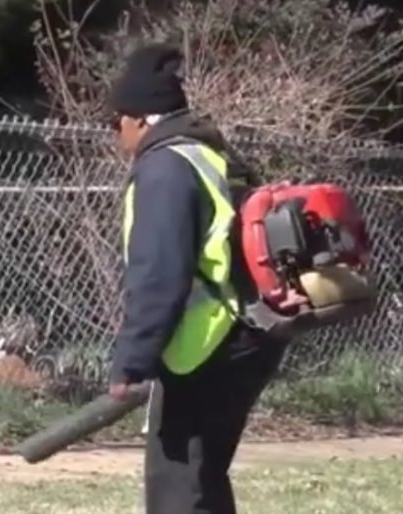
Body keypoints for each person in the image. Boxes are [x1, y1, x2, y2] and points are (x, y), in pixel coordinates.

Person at [105, 43, 314, 514]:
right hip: (251, 333)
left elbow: (158, 273)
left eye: (114, 122)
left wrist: (132, 361)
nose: (116, 134)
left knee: (179, 483)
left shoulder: (163, 169)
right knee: (203, 475)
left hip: (209, 343)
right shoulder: (212, 155)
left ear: (138, 118)